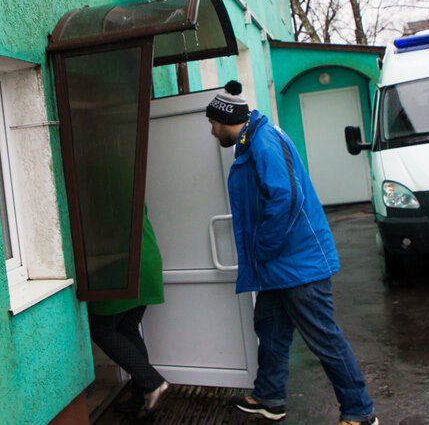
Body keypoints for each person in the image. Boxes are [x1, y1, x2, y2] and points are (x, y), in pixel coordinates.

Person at [205, 80, 378, 425]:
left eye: (212, 123)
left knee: (324, 339)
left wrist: (263, 247)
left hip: (297, 265)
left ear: (226, 119)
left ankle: (360, 411)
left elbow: (287, 198)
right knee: (269, 329)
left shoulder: (265, 142)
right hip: (279, 266)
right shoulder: (253, 142)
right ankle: (269, 397)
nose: (212, 131)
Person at [87, 206, 170, 418]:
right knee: (126, 328)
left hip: (126, 263)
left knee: (100, 328)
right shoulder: (127, 173)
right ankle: (140, 395)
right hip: (146, 258)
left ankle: (152, 383)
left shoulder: (103, 182)